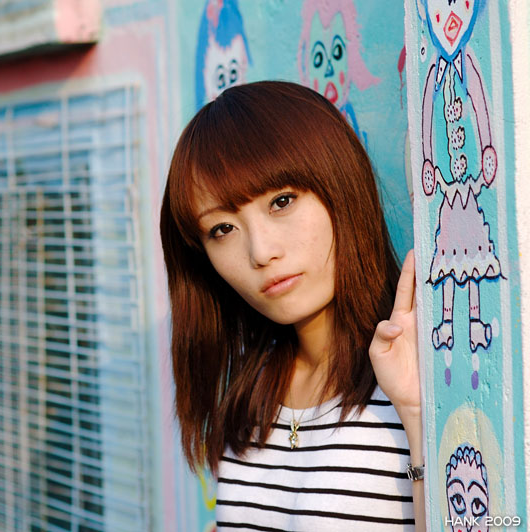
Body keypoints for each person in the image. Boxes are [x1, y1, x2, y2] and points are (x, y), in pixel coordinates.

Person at [159, 81, 424, 531]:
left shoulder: (416, 374)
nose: (260, 252)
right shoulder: (252, 389)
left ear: (339, 185)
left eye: (281, 202)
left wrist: (416, 414)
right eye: (222, 229)